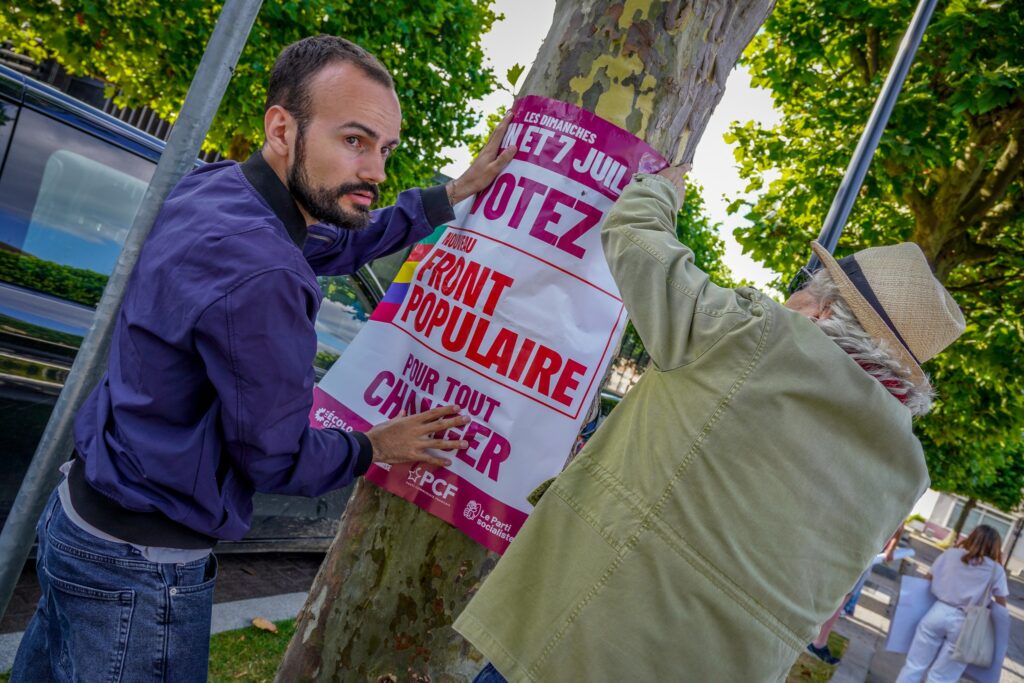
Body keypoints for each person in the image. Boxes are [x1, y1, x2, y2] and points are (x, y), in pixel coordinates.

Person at [11, 35, 514, 682]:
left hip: (78, 521)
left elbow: (330, 243)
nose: (377, 171)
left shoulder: (218, 188)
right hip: (143, 572)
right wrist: (374, 446)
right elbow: (275, 456)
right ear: (282, 126)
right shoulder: (267, 274)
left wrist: (448, 195)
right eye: (355, 141)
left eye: (384, 150)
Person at [454, 165, 966, 681]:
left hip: (584, 643)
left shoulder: (756, 336)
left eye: (805, 286)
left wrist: (660, 187)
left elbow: (634, 236)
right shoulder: (906, 470)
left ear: (822, 311)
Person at [895, 525, 1008, 683]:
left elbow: (928, 579)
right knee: (942, 677)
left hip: (938, 611)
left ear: (971, 537)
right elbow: (1002, 605)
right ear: (995, 546)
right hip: (967, 623)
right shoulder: (996, 571)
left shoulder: (950, 554)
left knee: (914, 665)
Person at [808, 524, 906, 664]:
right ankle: (818, 641)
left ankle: (817, 639)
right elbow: (899, 526)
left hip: (856, 547)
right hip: (862, 552)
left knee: (838, 596)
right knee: (842, 598)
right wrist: (892, 546)